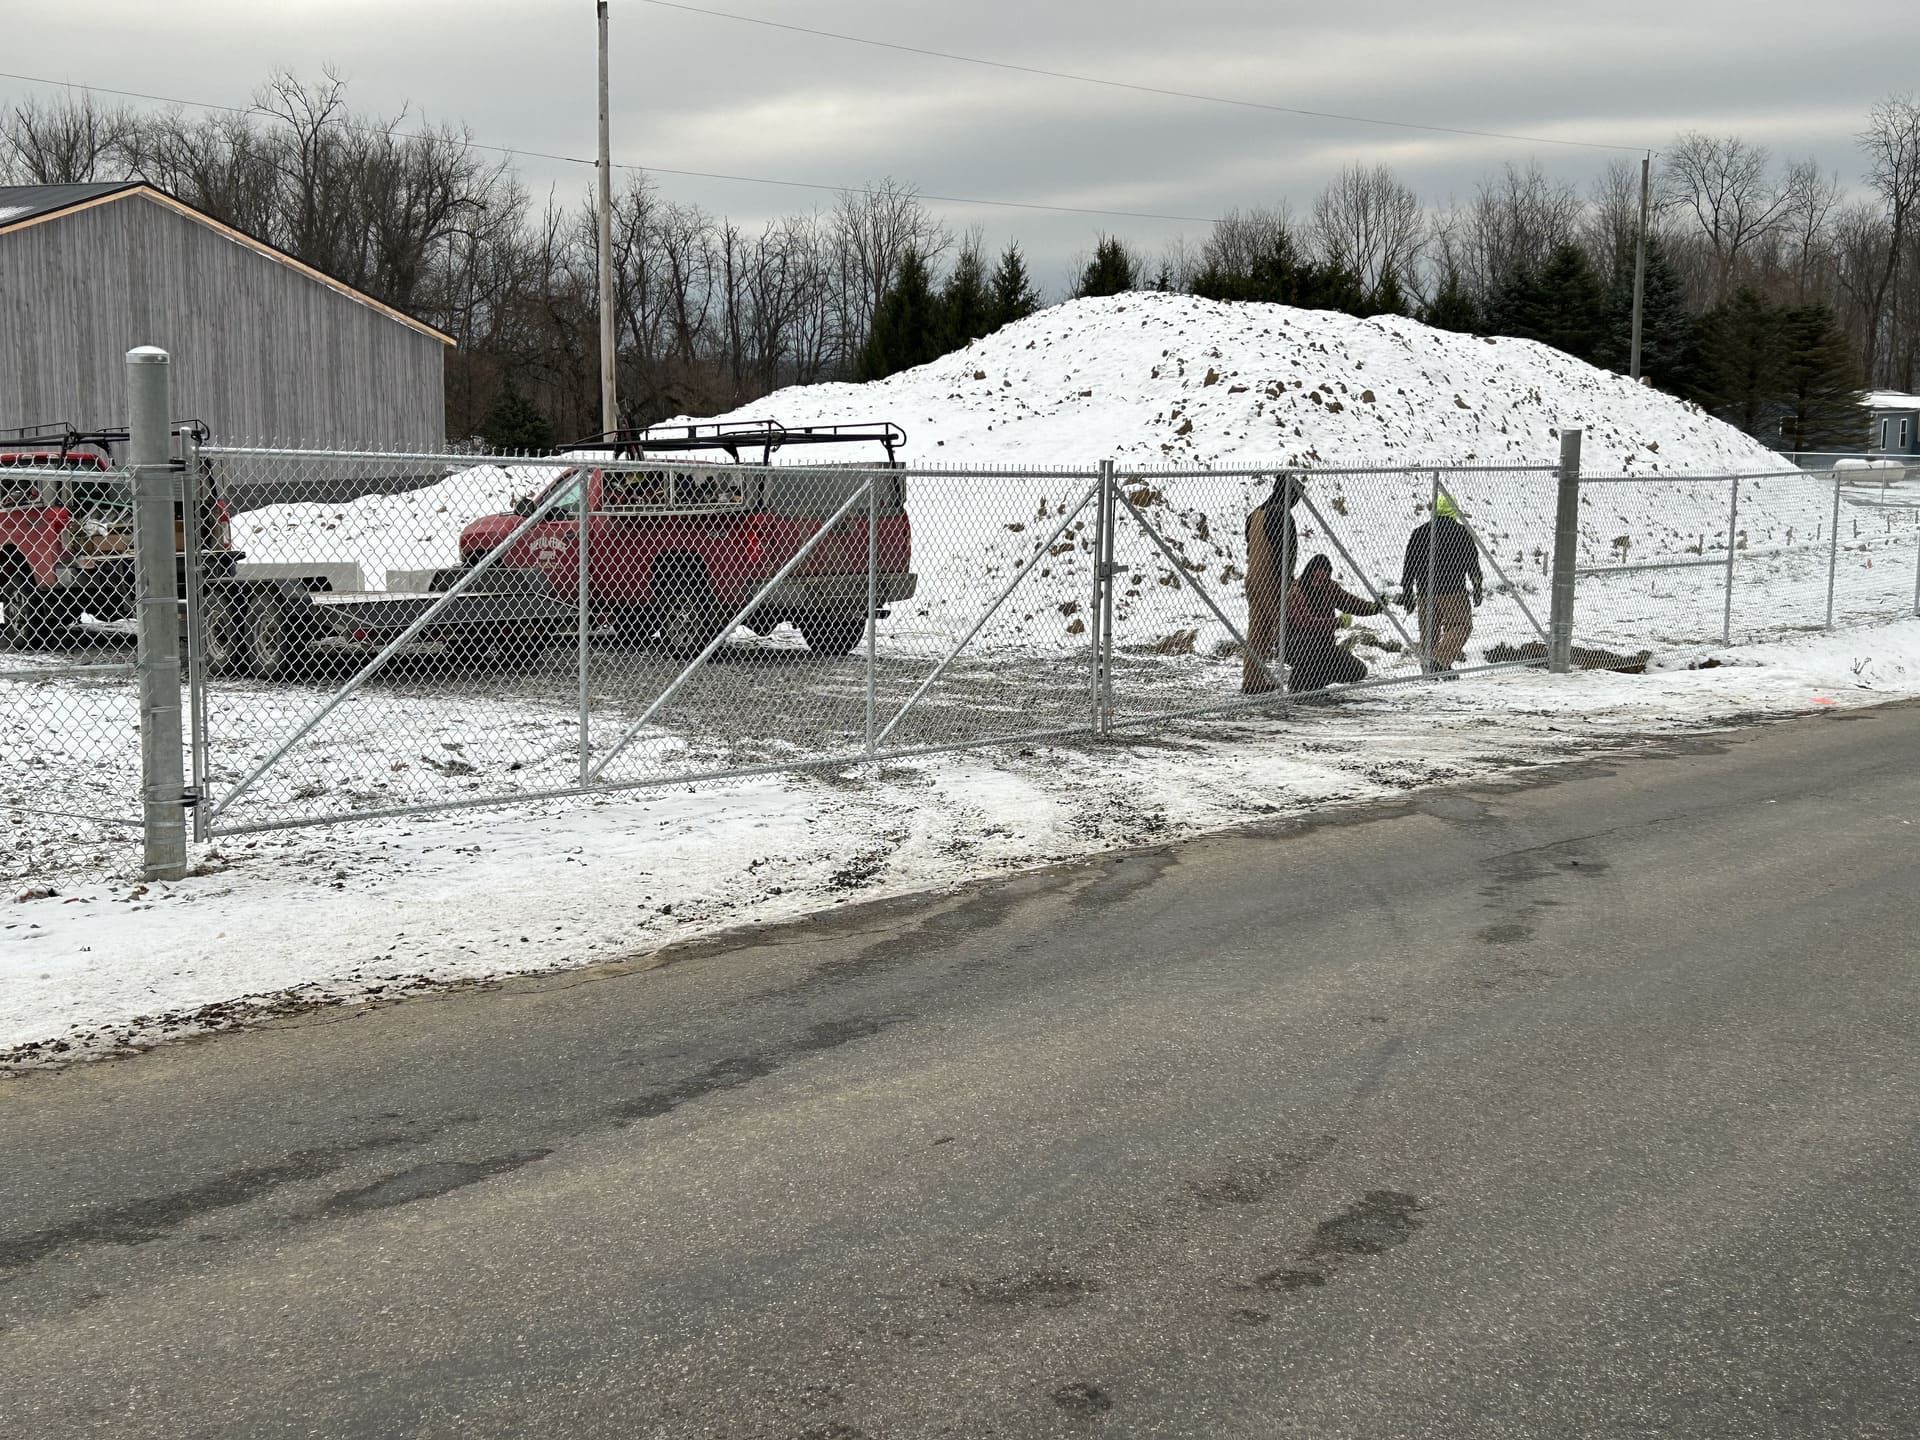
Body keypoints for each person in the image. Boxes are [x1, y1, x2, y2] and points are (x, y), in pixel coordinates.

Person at [1399, 494, 1482, 675]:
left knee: (1430, 632)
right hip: (1453, 591)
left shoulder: (1419, 532)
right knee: (1461, 625)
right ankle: (1438, 661)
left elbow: (1409, 564)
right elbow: (1473, 564)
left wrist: (1407, 590)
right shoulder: (1461, 532)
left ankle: (1433, 667)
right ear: (1454, 509)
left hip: (1424, 592)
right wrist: (1477, 586)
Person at [1285, 554, 1384, 693]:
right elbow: (1305, 623)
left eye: (1323, 579)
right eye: (1316, 578)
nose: (1319, 582)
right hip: (1296, 644)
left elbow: (1350, 602)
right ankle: (1298, 683)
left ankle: (1312, 683)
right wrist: (1338, 622)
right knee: (1310, 645)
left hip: (1325, 646)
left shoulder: (1329, 588)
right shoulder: (1297, 591)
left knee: (1357, 670)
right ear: (1309, 574)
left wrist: (1373, 608)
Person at [1242, 472, 1303, 694]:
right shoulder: (1281, 514)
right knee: (1283, 629)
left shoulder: (1255, 513)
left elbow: (1249, 544)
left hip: (1253, 577)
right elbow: (1284, 553)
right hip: (1271, 580)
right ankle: (1305, 675)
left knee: (1257, 631)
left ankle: (1252, 680)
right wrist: (1286, 582)